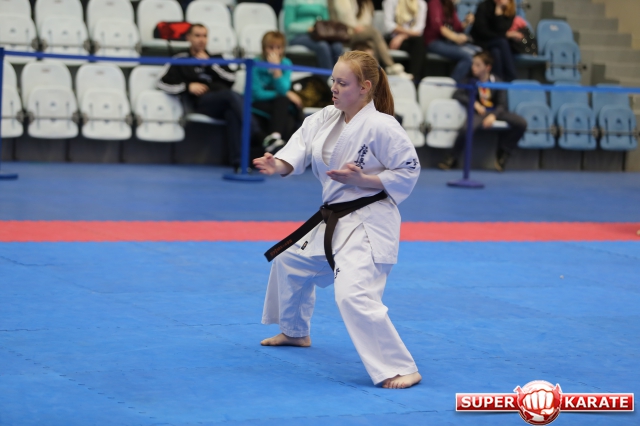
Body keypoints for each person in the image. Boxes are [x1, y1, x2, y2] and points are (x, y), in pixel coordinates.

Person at [253, 51, 422, 389]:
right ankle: (295, 331)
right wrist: (278, 164)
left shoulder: (382, 125)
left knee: (352, 295)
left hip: (368, 221)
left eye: (342, 83)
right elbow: (299, 148)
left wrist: (365, 180)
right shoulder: (326, 117)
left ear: (365, 87)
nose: (334, 88)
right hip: (334, 217)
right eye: (334, 80)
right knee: (289, 261)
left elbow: (409, 170)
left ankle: (400, 368)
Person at [157, 24, 244, 172]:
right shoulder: (181, 58)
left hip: (223, 102)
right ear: (189, 38)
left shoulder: (216, 58)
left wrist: (210, 64)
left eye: (204, 36)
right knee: (232, 96)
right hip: (202, 102)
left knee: (232, 114)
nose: (201, 40)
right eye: (197, 36)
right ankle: (258, 133)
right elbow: (161, 83)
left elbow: (231, 78)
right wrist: (187, 86)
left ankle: (239, 164)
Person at [438, 51, 526, 172]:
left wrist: (493, 115)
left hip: (495, 112)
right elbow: (457, 94)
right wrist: (474, 103)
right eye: (473, 64)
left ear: (487, 67)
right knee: (466, 129)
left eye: (478, 65)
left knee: (521, 123)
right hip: (478, 113)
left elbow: (502, 104)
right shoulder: (469, 80)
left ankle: (504, 152)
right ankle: (452, 157)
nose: (473, 67)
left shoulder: (497, 81)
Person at [329, 0, 413, 79]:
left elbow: (367, 22)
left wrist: (362, 27)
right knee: (374, 33)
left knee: (371, 43)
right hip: (344, 35)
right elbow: (344, 17)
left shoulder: (366, 2)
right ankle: (391, 66)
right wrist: (355, 26)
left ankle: (376, 75)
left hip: (361, 34)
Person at [252, 31, 303, 153]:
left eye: (278, 47)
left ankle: (275, 140)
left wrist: (276, 70)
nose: (275, 51)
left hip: (278, 104)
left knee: (288, 117)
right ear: (264, 48)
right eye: (271, 47)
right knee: (283, 101)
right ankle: (275, 144)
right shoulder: (255, 63)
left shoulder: (286, 63)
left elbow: (283, 89)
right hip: (257, 103)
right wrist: (283, 94)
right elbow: (257, 94)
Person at [423, 0, 478, 82]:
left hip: (448, 42)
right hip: (433, 41)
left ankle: (470, 84)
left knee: (478, 52)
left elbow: (458, 27)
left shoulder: (449, 5)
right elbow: (437, 26)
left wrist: (467, 22)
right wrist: (456, 38)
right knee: (467, 57)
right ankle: (452, 86)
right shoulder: (434, 2)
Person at [283, 0, 344, 70]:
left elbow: (326, 21)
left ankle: (342, 74)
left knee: (337, 45)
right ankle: (329, 75)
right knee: (322, 46)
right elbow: (288, 25)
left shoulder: (322, 1)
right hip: (297, 35)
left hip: (319, 34)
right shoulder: (290, 1)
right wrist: (307, 28)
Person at [470, 0, 521, 82]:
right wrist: (504, 35)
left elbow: (502, 29)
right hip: (481, 41)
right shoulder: (484, 6)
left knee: (496, 52)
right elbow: (482, 31)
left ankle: (497, 82)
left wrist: (498, 14)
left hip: (496, 43)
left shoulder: (510, 10)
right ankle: (512, 77)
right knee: (502, 42)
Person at [381, 0, 427, 83]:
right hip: (391, 38)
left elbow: (419, 30)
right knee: (381, 43)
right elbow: (388, 25)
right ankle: (385, 81)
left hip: (410, 38)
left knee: (419, 42)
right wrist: (401, 35)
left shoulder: (421, 3)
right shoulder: (391, 1)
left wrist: (402, 36)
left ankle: (414, 80)